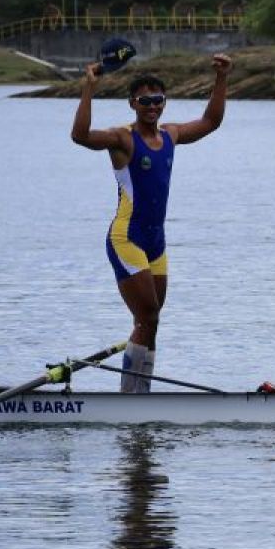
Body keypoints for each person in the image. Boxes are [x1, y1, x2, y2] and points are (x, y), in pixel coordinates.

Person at [71, 54, 232, 392]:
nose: (152, 106)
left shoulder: (171, 135)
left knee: (151, 321)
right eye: (145, 100)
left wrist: (221, 77)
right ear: (133, 103)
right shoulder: (122, 139)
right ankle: (131, 397)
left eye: (158, 100)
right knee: (147, 316)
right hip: (126, 239)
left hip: (155, 244)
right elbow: (80, 135)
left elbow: (211, 121)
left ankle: (140, 393)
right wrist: (89, 87)